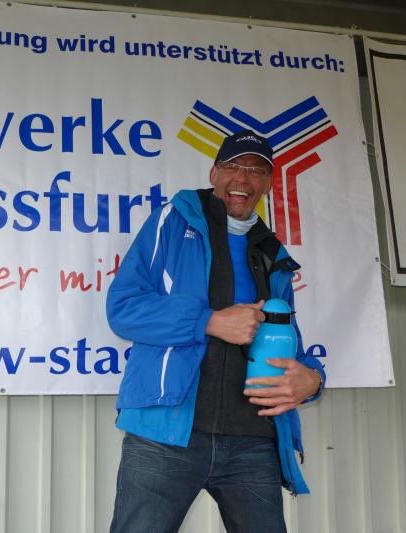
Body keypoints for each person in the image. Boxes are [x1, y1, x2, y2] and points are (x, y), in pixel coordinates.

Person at [106, 130, 325, 533]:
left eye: (255, 170)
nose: (243, 178)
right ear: (214, 173)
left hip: (252, 440)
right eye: (233, 166)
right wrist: (208, 321)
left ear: (268, 183)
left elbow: (288, 340)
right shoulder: (173, 221)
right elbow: (123, 309)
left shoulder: (272, 252)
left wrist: (312, 379)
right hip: (166, 434)